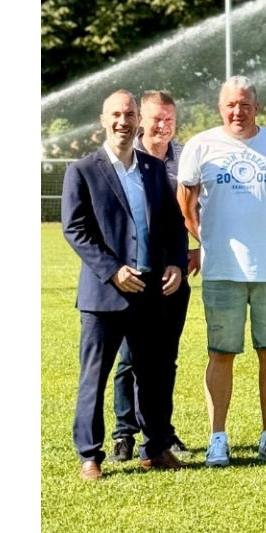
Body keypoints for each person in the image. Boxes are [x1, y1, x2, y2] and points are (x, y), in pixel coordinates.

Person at [61, 90, 190, 478]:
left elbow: (173, 225)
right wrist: (113, 269)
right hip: (104, 296)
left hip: (151, 292)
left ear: (138, 120)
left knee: (154, 374)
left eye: (130, 114)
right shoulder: (82, 170)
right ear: (103, 119)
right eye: (116, 114)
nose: (123, 121)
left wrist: (175, 263)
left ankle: (156, 448)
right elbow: (75, 229)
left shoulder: (152, 169)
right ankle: (90, 455)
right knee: (95, 378)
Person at [177, 75, 266, 467]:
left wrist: (262, 234)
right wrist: (207, 238)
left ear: (256, 107)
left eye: (245, 103)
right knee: (221, 354)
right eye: (231, 104)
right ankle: (218, 437)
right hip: (221, 271)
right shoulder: (201, 145)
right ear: (221, 108)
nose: (238, 110)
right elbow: (186, 201)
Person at [107, 90, 200, 463]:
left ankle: (161, 433)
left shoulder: (187, 159)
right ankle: (123, 433)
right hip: (136, 277)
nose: (162, 125)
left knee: (166, 359)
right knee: (130, 359)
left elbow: (197, 212)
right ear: (140, 120)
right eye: (156, 119)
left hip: (174, 275)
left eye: (169, 119)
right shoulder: (129, 159)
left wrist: (196, 251)